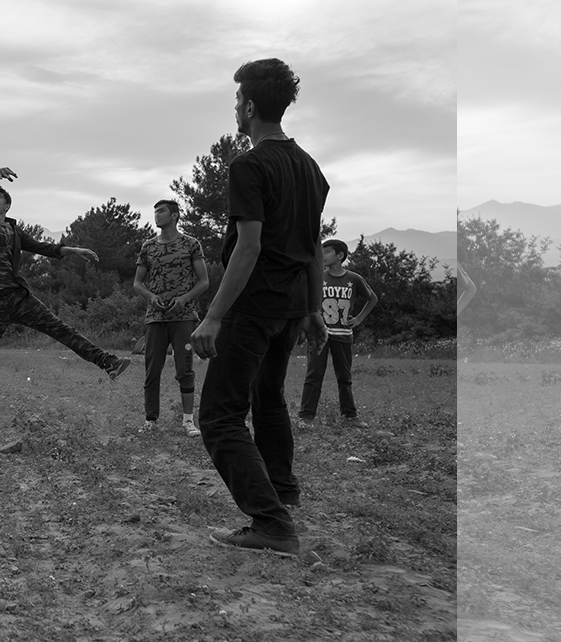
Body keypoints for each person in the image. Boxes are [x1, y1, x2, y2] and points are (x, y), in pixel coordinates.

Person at [189, 58, 329, 558]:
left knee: (219, 416)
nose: (235, 108)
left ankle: (271, 524)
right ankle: (282, 493)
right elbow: (312, 246)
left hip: (253, 307)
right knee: (268, 398)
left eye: (236, 100)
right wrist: (313, 309)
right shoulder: (310, 167)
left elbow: (249, 247)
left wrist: (213, 316)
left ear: (249, 107)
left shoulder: (249, 165)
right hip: (290, 308)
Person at [0, 167, 132, 441]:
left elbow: (45, 248)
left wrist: (73, 250)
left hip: (17, 297)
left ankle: (108, 362)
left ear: (7, 206)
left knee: (61, 329)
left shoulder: (14, 231)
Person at [133, 199, 209, 436]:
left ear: (174, 215)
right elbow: (137, 283)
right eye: (155, 212)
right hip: (155, 319)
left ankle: (188, 421)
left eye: (161, 211)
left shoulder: (191, 244)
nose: (156, 215)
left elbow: (204, 281)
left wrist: (184, 299)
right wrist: (151, 297)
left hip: (183, 318)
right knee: (152, 370)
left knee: (184, 369)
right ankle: (151, 420)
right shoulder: (148, 247)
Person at [298, 239, 377, 426]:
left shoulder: (354, 279)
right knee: (314, 375)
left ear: (340, 255)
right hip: (319, 335)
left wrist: (359, 319)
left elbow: (372, 298)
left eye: (327, 252)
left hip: (343, 335)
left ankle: (350, 416)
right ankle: (306, 417)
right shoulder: (318, 277)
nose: (323, 256)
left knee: (344, 377)